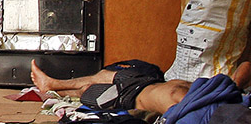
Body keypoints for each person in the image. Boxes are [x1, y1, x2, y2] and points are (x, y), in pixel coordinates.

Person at [30, 59, 251, 122]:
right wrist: (234, 86)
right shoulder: (233, 98)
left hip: (133, 96)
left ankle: (53, 85)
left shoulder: (196, 117)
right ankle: (54, 85)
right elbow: (246, 66)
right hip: (147, 84)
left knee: (94, 88)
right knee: (104, 80)